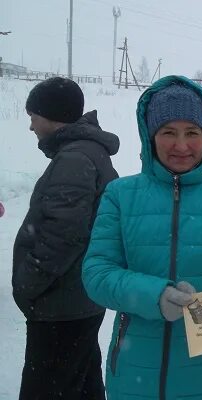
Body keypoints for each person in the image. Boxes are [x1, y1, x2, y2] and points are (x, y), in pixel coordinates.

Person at [82, 75, 202, 400]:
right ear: (150, 135)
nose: (181, 145)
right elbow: (97, 274)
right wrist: (153, 295)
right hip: (132, 374)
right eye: (168, 132)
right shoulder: (120, 196)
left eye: (192, 133)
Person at [12, 76, 120, 400]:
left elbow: (62, 236)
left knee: (46, 390)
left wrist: (28, 284)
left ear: (52, 116)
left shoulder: (74, 159)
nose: (31, 126)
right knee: (82, 384)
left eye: (34, 117)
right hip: (79, 300)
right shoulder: (87, 152)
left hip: (62, 305)